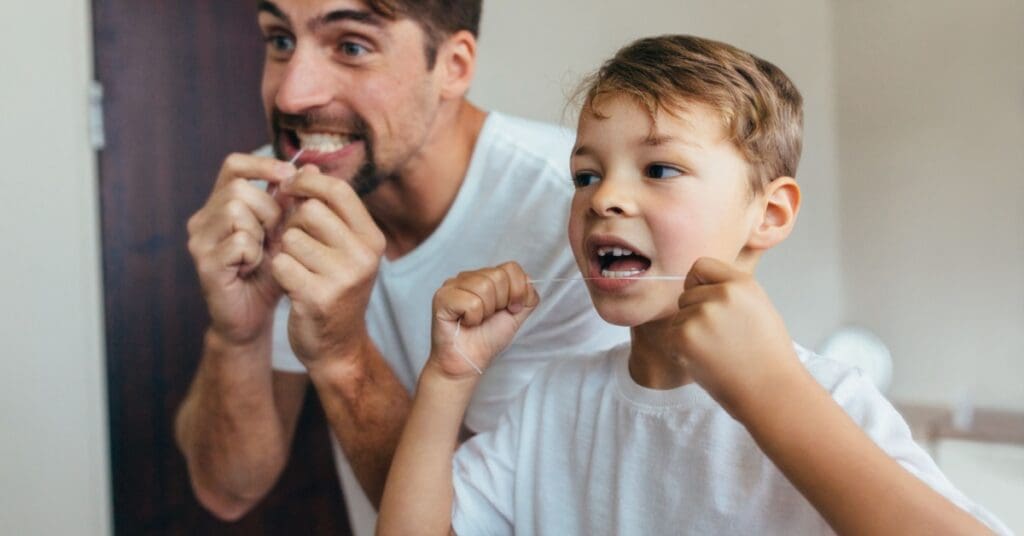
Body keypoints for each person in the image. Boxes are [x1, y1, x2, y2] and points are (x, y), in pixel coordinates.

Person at [377, 35, 1011, 535]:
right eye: (586, 176)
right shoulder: (553, 403)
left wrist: (771, 392)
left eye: (659, 168)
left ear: (769, 214)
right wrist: (448, 380)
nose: (607, 199)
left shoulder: (830, 397)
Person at [173, 1, 627, 533]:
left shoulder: (580, 221)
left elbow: (495, 526)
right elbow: (227, 489)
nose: (292, 94)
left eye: (351, 47)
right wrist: (237, 335)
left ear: (453, 66)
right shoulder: (273, 199)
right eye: (280, 40)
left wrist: (343, 357)